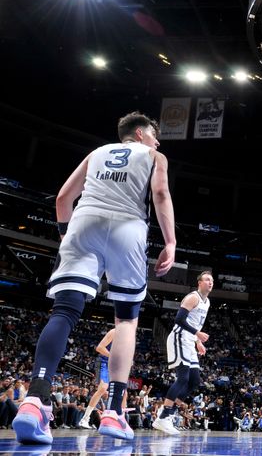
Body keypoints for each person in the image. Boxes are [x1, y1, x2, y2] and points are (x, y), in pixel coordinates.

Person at [13, 112, 175, 444]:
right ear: (142, 134)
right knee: (126, 322)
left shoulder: (96, 153)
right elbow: (160, 195)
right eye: (155, 135)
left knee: (63, 312)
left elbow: (62, 199)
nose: (158, 142)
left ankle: (35, 400)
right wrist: (170, 242)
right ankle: (114, 413)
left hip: (84, 221)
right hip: (127, 227)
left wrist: (65, 235)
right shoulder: (155, 156)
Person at [152, 271, 213, 435]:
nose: (210, 282)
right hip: (179, 337)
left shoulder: (207, 302)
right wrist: (198, 335)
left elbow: (196, 324)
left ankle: (169, 415)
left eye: (212, 280)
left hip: (190, 341)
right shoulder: (192, 297)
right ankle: (163, 417)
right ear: (199, 282)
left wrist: (198, 341)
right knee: (183, 378)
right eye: (207, 279)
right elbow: (179, 320)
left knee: (194, 381)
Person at [79, 328, 116, 429]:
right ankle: (85, 419)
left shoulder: (126, 338)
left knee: (122, 391)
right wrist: (113, 356)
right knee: (103, 388)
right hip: (103, 362)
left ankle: (116, 421)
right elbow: (99, 348)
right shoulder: (114, 332)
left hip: (113, 365)